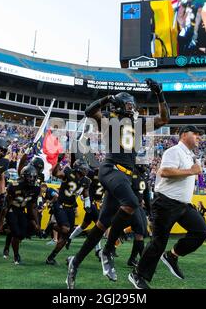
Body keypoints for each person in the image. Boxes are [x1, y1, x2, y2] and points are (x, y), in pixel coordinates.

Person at [66, 78, 169, 289]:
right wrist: (107, 98)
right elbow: (88, 111)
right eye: (129, 105)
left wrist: (160, 94)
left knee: (102, 223)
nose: (132, 108)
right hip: (111, 169)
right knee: (131, 204)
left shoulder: (139, 124)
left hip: (126, 175)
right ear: (120, 106)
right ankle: (107, 251)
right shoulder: (108, 120)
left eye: (133, 105)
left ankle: (75, 262)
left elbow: (164, 119)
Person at [128, 125, 206, 289]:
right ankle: (137, 275)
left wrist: (192, 170)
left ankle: (172, 256)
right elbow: (164, 172)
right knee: (158, 242)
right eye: (196, 133)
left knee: (201, 231)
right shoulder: (174, 151)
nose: (199, 137)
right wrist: (191, 171)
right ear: (184, 134)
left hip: (183, 205)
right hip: (166, 203)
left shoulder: (190, 155)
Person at [47, 158, 91, 265]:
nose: (86, 169)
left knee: (66, 236)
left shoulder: (86, 181)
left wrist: (87, 205)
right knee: (65, 229)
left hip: (70, 207)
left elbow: (86, 194)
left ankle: (51, 257)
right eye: (83, 167)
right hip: (60, 204)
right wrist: (58, 161)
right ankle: (52, 226)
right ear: (78, 167)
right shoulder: (68, 173)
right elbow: (55, 173)